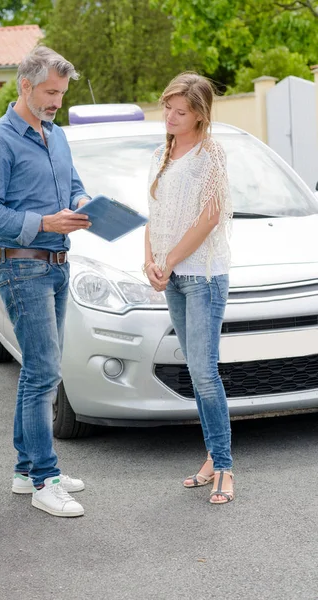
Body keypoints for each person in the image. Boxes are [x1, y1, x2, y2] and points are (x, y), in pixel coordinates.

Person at [0, 46, 92, 518]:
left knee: (40, 370)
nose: (56, 102)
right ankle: (45, 478)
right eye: (50, 92)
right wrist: (46, 222)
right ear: (25, 85)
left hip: (58, 264)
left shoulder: (56, 135)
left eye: (61, 94)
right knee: (45, 371)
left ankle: (26, 472)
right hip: (22, 266)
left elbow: (73, 186)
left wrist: (84, 204)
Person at [144, 73, 234, 504]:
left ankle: (225, 466)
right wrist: (151, 262)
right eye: (167, 109)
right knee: (196, 374)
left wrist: (170, 260)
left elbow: (209, 218)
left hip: (204, 277)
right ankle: (212, 459)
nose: (171, 117)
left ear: (200, 115)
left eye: (181, 112)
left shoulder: (210, 156)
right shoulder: (162, 152)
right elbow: (154, 214)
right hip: (174, 278)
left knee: (204, 372)